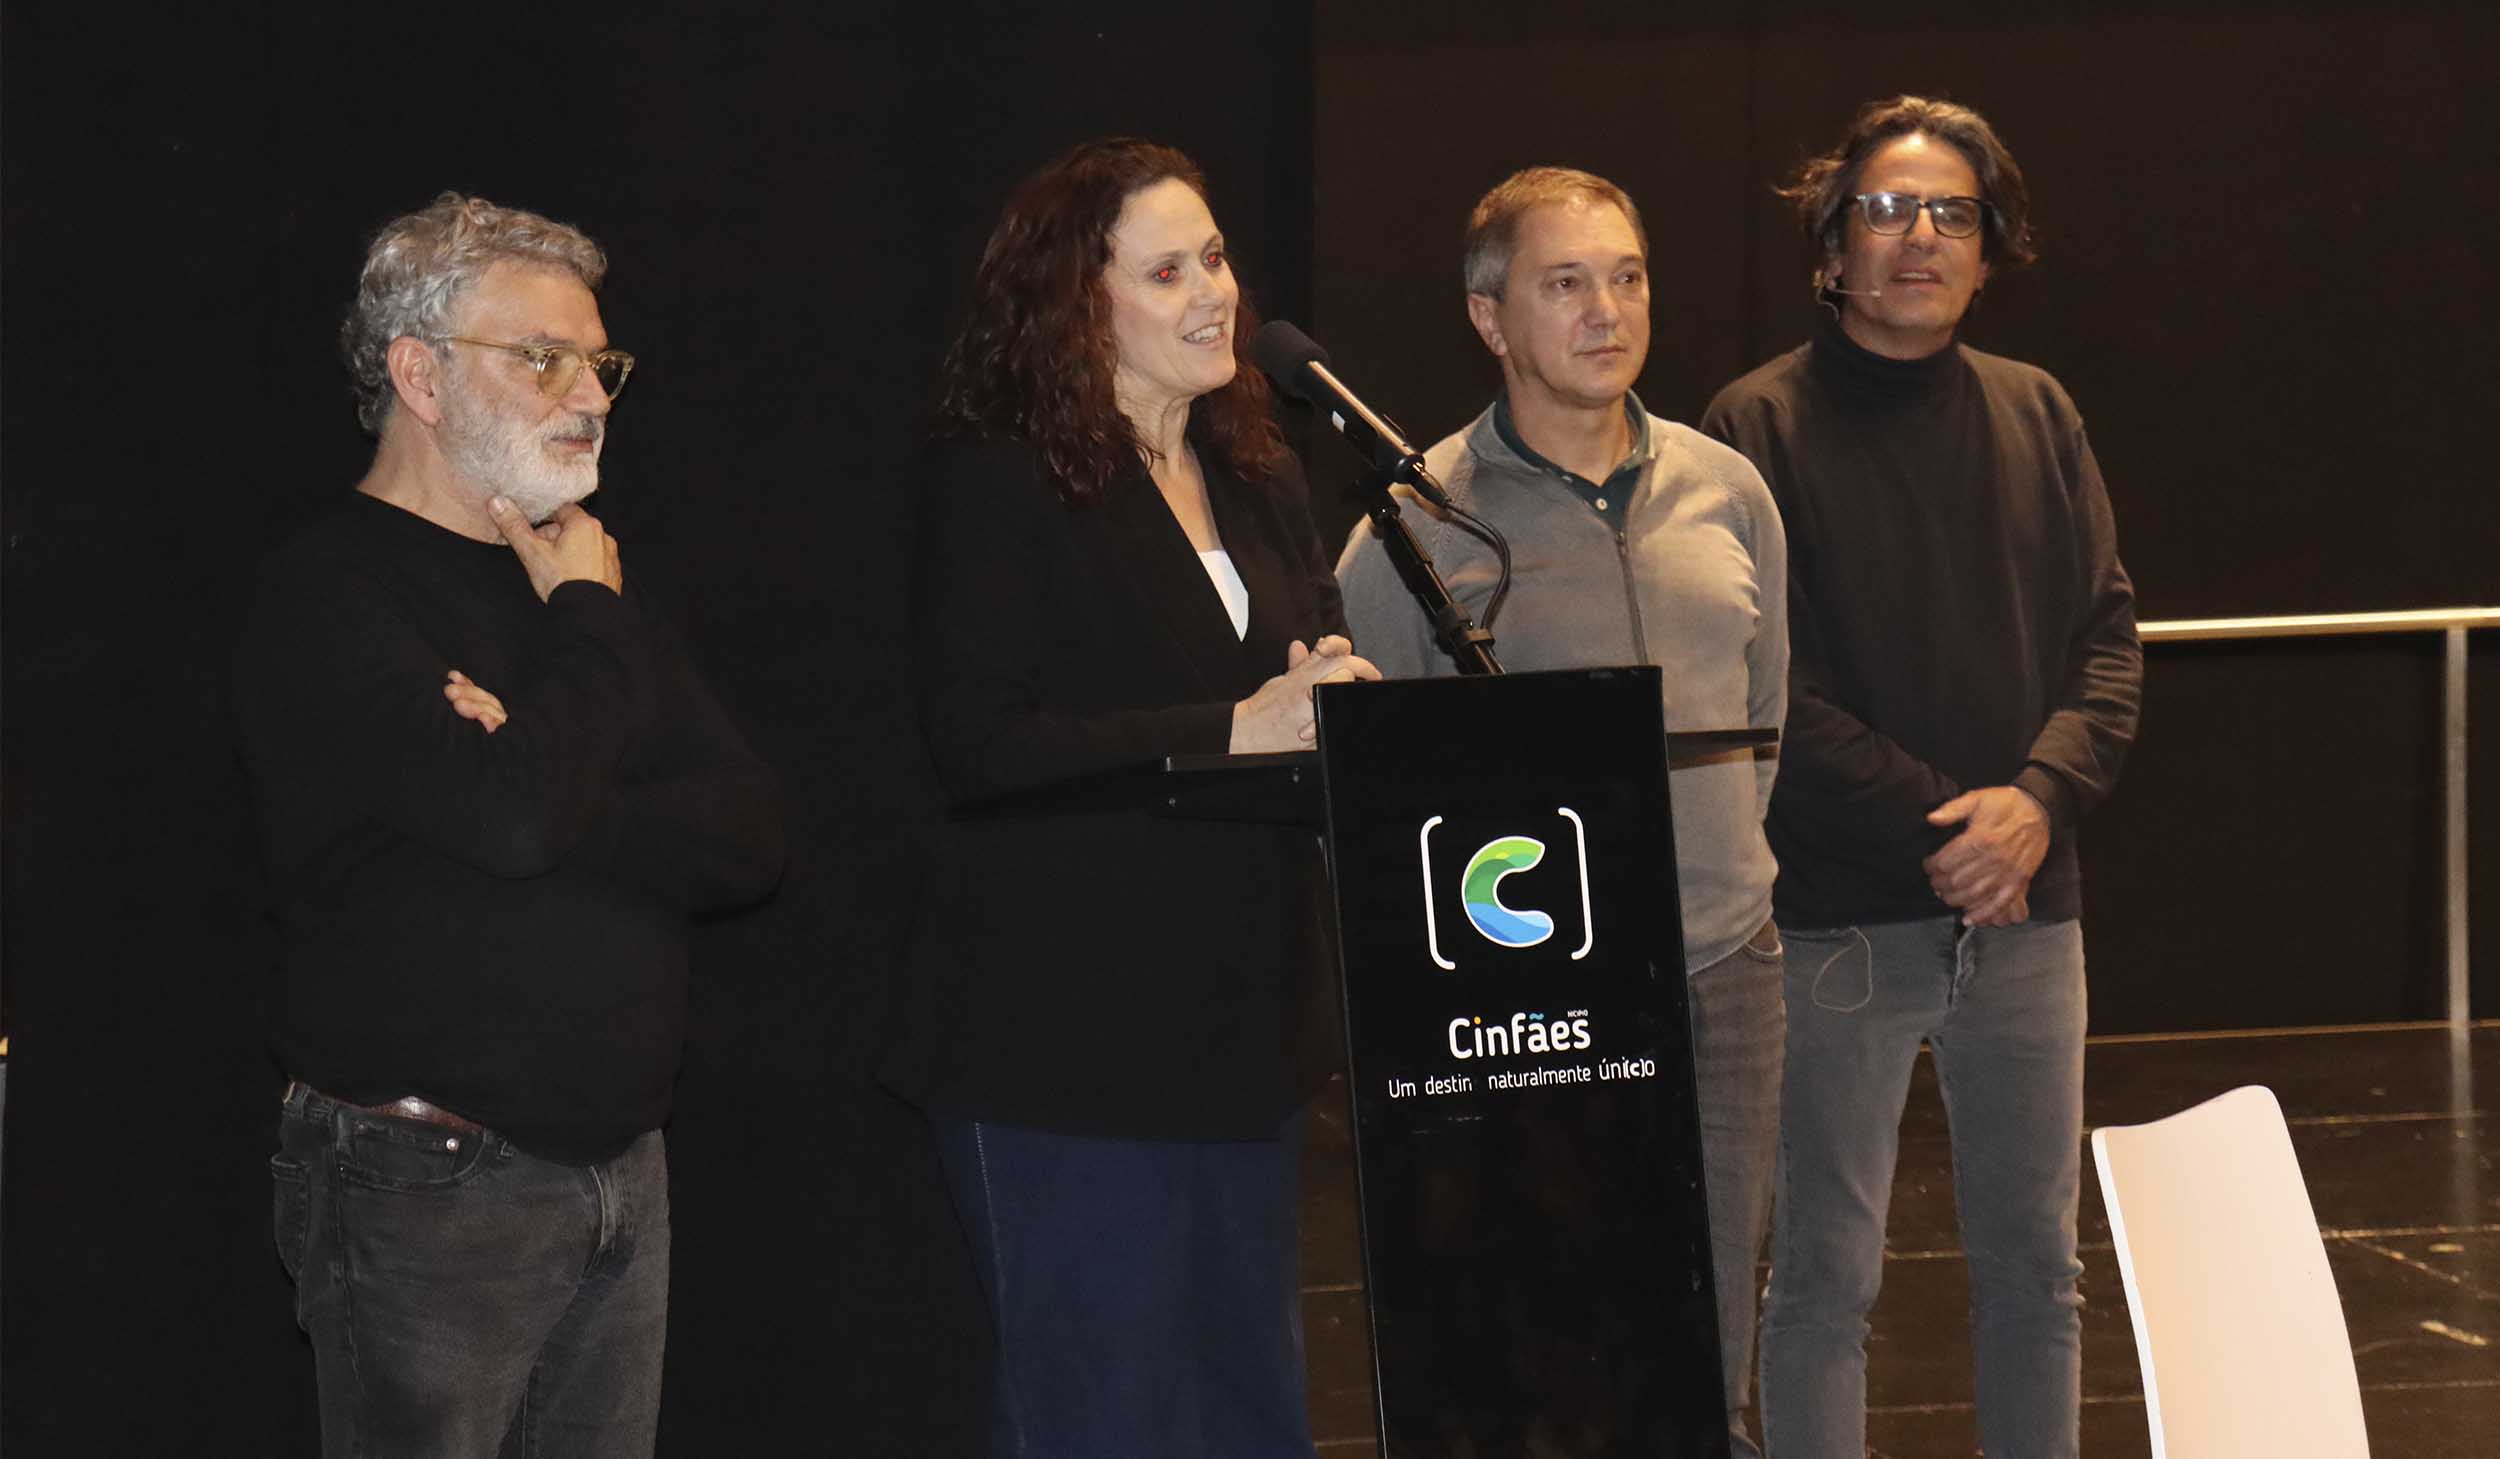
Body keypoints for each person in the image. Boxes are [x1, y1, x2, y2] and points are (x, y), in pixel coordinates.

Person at [234, 193, 784, 1458]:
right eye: (542, 357)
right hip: (426, 1181)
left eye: (599, 361)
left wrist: (543, 753)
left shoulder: (573, 585)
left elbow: (749, 835)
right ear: (417, 372)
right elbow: (516, 818)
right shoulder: (332, 588)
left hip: (620, 1168)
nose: (588, 392)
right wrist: (583, 662)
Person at [885, 138, 1378, 1459]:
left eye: (1214, 255)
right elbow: (981, 740)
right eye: (1168, 269)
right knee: (1103, 1416)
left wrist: (1341, 701)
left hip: (1242, 1032)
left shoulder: (1262, 472)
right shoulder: (999, 480)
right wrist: (1237, 725)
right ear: (1077, 303)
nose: (1215, 289)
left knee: (1250, 1409)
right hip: (1063, 1038)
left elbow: (1304, 678)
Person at [1699, 96, 2143, 1459]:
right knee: (1829, 1280)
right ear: (1831, 246)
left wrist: (2035, 804)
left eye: (1952, 212)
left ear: (1990, 245)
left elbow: (2108, 641)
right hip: (1840, 916)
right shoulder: (1753, 425)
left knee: (2039, 1271)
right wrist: (1954, 823)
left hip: (2028, 908)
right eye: (1886, 210)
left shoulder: (2039, 409)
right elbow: (1775, 691)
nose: (1919, 238)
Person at [1335, 166, 1790, 1458]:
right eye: (1566, 282)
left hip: (1722, 968)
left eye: (1628, 276)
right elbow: (1384, 803)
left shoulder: (1728, 489)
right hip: (1530, 1008)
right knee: (1549, 1355)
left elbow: (1765, 710)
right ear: (1490, 319)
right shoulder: (1413, 527)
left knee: (1713, 1364)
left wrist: (1718, 877)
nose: (1607, 310)